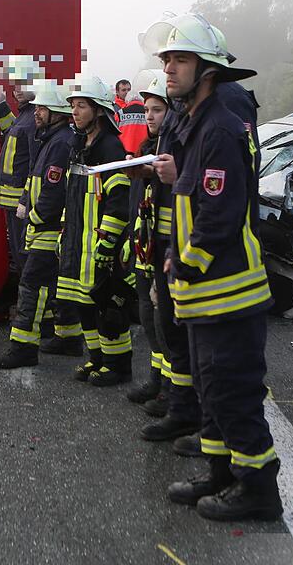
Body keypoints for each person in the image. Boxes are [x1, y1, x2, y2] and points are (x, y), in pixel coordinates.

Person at [149, 13, 280, 522]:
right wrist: (172, 257)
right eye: (166, 59)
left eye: (179, 59)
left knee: (233, 391)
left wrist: (184, 263)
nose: (168, 69)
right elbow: (190, 203)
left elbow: (221, 214)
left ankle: (258, 490)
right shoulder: (194, 126)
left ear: (207, 70)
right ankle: (221, 472)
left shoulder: (221, 129)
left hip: (228, 291)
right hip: (204, 293)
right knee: (209, 387)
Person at [0, 81, 81, 368]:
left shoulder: (58, 143)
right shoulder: (50, 138)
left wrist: (34, 216)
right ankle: (67, 337)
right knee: (55, 283)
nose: (37, 112)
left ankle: (23, 348)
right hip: (45, 223)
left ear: (56, 112)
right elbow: (35, 176)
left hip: (48, 226)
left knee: (32, 283)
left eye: (43, 108)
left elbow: (53, 191)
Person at [56, 75, 133, 386]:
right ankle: (97, 359)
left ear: (99, 110)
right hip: (77, 243)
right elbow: (71, 193)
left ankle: (119, 366)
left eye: (82, 105)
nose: (75, 111)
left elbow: (118, 200)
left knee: (106, 308)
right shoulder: (79, 144)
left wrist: (109, 242)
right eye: (73, 105)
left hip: (98, 245)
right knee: (82, 304)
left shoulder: (110, 147)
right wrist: (64, 231)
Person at [123, 72, 171, 407]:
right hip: (145, 244)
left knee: (165, 319)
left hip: (166, 249)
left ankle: (171, 388)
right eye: (148, 110)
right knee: (148, 314)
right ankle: (156, 379)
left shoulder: (173, 151)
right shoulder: (145, 149)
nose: (150, 116)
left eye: (157, 110)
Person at [0, 55, 41, 277]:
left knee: (24, 254)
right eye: (17, 84)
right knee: (18, 251)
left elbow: (35, 163)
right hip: (12, 200)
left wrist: (25, 199)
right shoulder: (25, 116)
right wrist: (2, 107)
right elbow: (10, 131)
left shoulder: (35, 118)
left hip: (21, 200)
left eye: (26, 83)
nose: (19, 89)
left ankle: (32, 305)